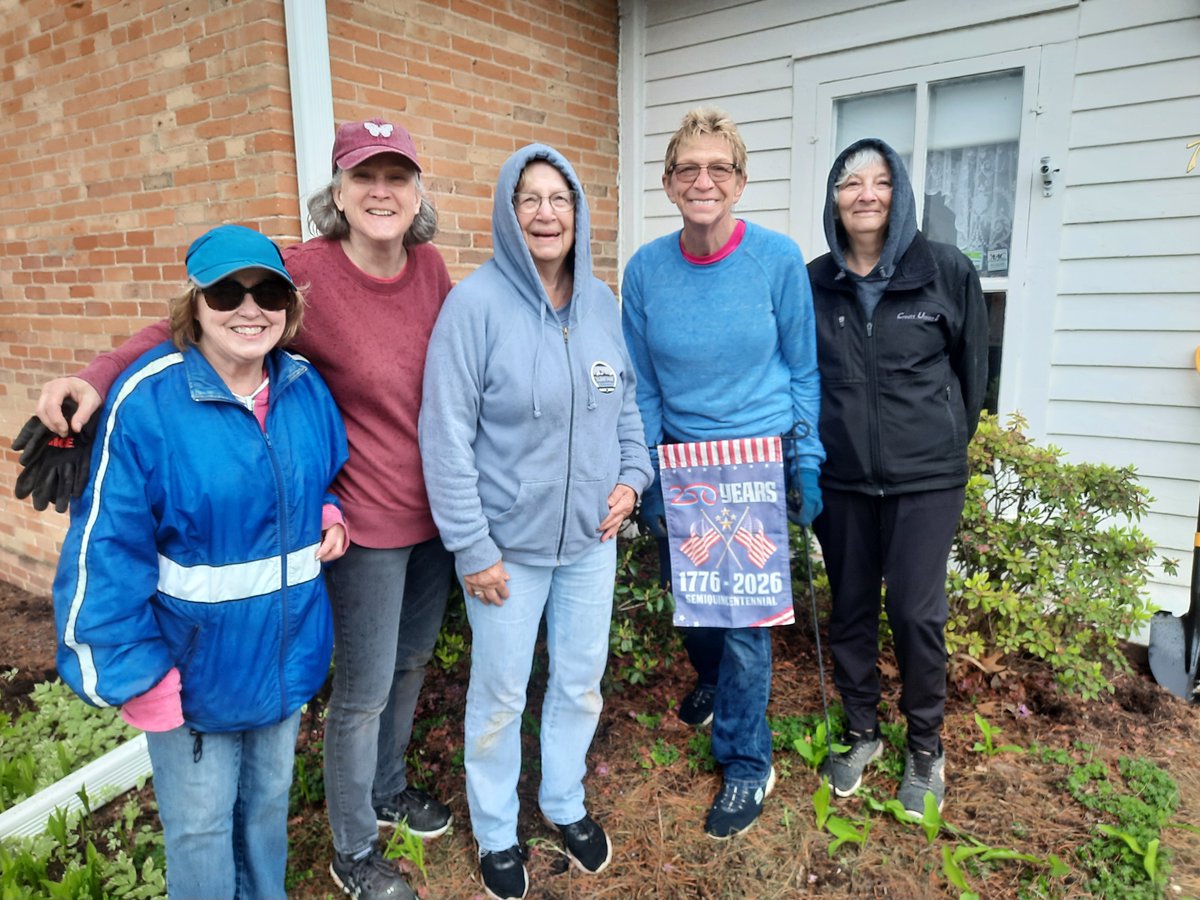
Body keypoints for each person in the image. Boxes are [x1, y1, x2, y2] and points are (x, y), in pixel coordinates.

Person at [30, 119, 454, 900]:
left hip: (420, 522)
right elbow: (192, 318)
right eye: (365, 176)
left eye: (399, 176)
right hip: (364, 529)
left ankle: (386, 791)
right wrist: (97, 378)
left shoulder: (425, 277)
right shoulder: (297, 271)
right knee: (356, 697)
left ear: (419, 191)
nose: (382, 192)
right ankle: (354, 845)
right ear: (338, 190)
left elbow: (455, 374)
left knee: (402, 672)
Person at [52, 225, 349, 898]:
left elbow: (320, 476)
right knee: (200, 831)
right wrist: (136, 674)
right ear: (194, 305)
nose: (250, 308)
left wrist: (325, 513)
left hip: (283, 656)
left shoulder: (304, 388)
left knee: (268, 811)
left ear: (289, 305)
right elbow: (105, 554)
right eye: (226, 292)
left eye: (268, 291)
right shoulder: (146, 403)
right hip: (188, 677)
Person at [419, 144, 652, 900]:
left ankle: (563, 803)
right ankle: (495, 831)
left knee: (580, 683)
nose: (547, 213)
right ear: (508, 213)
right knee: (500, 695)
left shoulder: (601, 304)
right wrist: (472, 546)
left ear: (578, 213)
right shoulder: (474, 306)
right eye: (531, 199)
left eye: (561, 199)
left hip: (590, 544)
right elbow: (445, 435)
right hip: (504, 553)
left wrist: (632, 479)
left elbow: (627, 406)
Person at [620, 107, 825, 839]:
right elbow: (641, 381)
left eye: (719, 168)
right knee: (694, 598)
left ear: (740, 181)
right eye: (688, 169)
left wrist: (806, 456)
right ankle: (711, 680)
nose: (702, 181)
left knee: (742, 625)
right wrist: (641, 466)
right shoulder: (645, 270)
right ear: (669, 183)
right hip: (680, 462)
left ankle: (747, 760)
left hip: (754, 460)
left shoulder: (775, 259)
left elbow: (803, 367)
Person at [808, 137, 987, 817]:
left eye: (879, 182)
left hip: (925, 481)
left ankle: (925, 744)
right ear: (834, 198)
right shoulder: (813, 282)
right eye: (850, 183)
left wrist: (936, 446)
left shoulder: (944, 271)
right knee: (850, 607)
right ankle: (860, 732)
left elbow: (972, 375)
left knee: (914, 611)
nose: (865, 194)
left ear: (899, 193)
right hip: (844, 480)